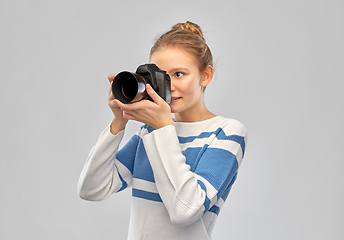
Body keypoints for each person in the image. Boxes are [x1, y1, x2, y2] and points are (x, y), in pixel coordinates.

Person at [78, 21, 247, 240]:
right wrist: (118, 121)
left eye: (179, 74)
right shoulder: (150, 132)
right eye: (160, 76)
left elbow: (185, 212)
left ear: (205, 75)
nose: (169, 87)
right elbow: (91, 189)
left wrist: (163, 126)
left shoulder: (227, 132)